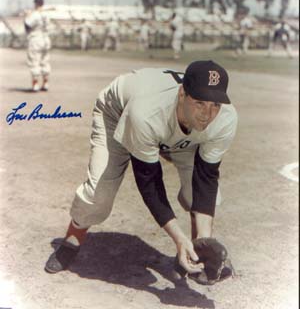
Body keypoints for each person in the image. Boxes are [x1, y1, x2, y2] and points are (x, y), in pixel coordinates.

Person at [45, 60, 238, 277]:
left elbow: (206, 179)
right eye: (200, 102)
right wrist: (178, 238)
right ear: (182, 94)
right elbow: (149, 180)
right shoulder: (146, 112)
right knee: (99, 197)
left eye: (215, 105)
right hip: (118, 113)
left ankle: (195, 254)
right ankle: (71, 241)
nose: (207, 113)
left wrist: (204, 241)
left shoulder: (225, 119)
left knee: (199, 195)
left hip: (172, 126)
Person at [24, 0, 52, 92]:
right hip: (46, 39)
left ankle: (35, 84)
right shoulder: (46, 14)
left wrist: (27, 15)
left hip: (36, 39)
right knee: (45, 60)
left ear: (35, 3)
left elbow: (27, 25)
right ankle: (45, 83)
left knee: (34, 60)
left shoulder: (34, 14)